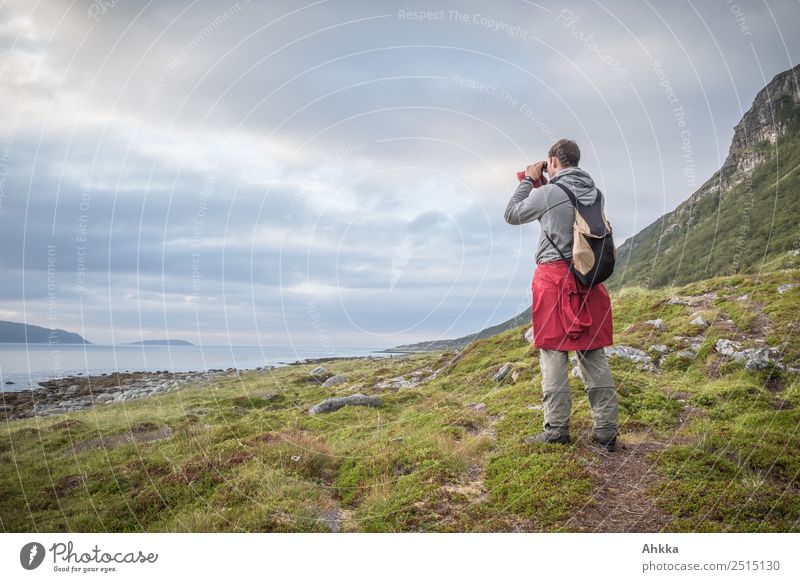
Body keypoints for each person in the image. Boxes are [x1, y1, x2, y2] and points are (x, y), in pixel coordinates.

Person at [504, 139, 619, 452]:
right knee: (593, 353)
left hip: (554, 281)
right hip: (588, 278)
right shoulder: (595, 192)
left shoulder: (547, 192)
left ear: (553, 160)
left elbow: (512, 214)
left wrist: (529, 180)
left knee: (554, 355)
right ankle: (606, 430)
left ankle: (556, 429)